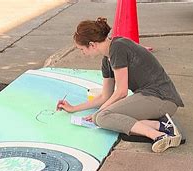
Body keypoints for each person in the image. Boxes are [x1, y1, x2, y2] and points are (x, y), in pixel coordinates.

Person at [57, 17, 184, 153]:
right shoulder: (107, 60)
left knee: (103, 117)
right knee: (107, 117)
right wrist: (74, 108)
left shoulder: (118, 48)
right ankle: (162, 125)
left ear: (92, 44)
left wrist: (100, 112)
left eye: (81, 49)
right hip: (149, 97)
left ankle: (159, 136)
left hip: (162, 99)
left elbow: (121, 92)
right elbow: (105, 96)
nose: (82, 53)